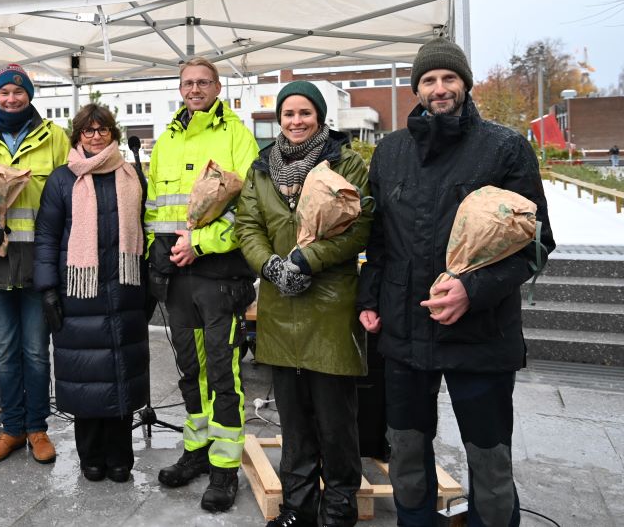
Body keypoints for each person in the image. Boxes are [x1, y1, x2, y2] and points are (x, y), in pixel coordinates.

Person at [356, 38, 556, 526]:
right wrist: (370, 297)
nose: (439, 88)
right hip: (405, 333)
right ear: (416, 90)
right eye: (428, 80)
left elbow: (536, 243)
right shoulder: (391, 152)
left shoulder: (504, 148)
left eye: (449, 78)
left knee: (488, 459)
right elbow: (379, 239)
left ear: (465, 83)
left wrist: (475, 289)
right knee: (405, 452)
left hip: (480, 335)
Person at [235, 81, 372, 527]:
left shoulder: (347, 161)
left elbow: (361, 225)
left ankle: (338, 508)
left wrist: (306, 260)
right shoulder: (261, 168)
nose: (296, 121)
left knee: (335, 420)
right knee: (292, 420)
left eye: (304, 113)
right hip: (279, 304)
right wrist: (271, 267)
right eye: (288, 114)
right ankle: (298, 508)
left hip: (330, 302)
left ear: (320, 116)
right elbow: (248, 227)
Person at [145, 56, 258, 512]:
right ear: (180, 88)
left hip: (218, 274)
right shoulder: (166, 140)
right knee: (190, 369)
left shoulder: (237, 136)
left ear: (217, 87)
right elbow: (156, 203)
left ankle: (226, 465)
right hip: (177, 276)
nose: (195, 89)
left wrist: (202, 243)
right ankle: (197, 449)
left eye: (203, 82)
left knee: (222, 369)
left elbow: (250, 210)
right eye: (188, 83)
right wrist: (157, 247)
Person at [0, 63, 70, 465]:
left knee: (37, 352)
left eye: (18, 92)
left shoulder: (54, 137)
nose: (11, 98)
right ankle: (12, 429)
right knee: (4, 353)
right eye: (4, 92)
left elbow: (69, 190)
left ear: (30, 96)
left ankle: (38, 429)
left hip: (39, 265)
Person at [33, 104, 150, 484]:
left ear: (112, 133)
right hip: (78, 292)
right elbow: (47, 237)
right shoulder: (61, 180)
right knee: (85, 378)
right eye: (88, 130)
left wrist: (148, 282)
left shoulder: (131, 174)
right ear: (78, 135)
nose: (96, 136)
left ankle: (120, 457)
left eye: (103, 130)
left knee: (121, 376)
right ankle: (91, 457)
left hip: (124, 288)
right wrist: (48, 288)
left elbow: (143, 230)